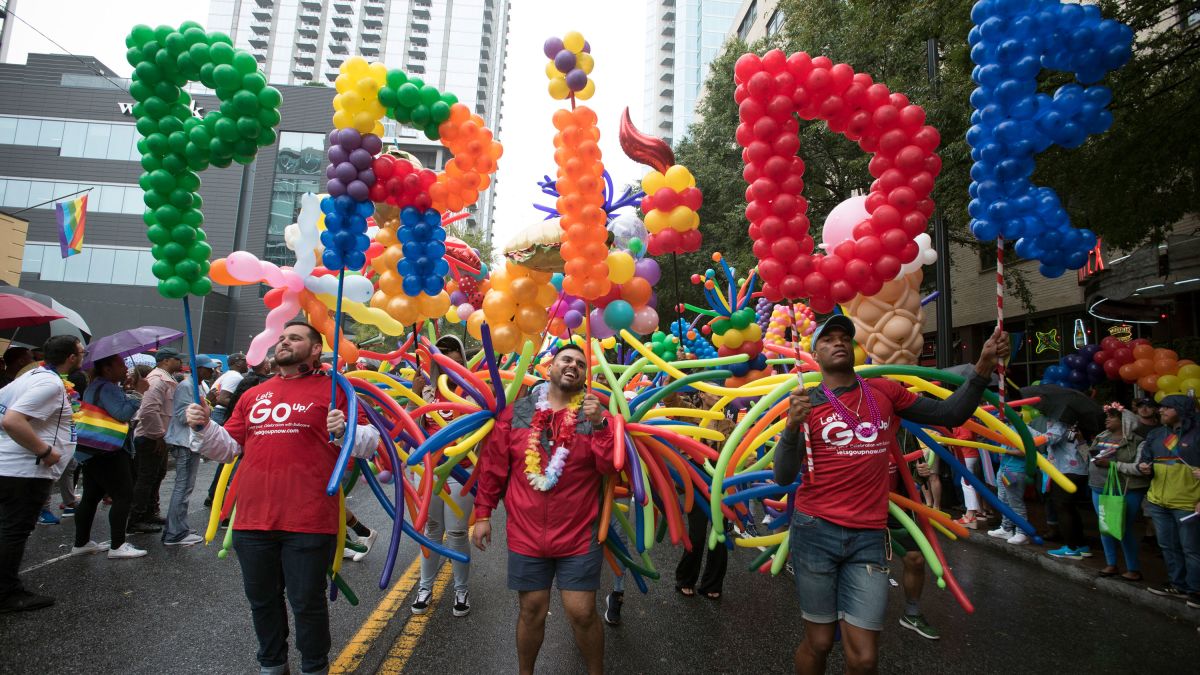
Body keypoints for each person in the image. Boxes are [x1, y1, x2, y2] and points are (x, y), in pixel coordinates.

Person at [774, 316, 1008, 675]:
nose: (838, 343)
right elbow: (782, 476)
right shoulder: (804, 402)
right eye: (828, 339)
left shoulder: (882, 391)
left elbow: (949, 412)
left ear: (852, 349)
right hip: (814, 532)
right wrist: (791, 426)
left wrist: (983, 366)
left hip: (867, 536)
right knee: (820, 642)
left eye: (844, 338)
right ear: (815, 353)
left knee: (865, 658)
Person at [185, 321, 379, 675]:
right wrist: (203, 427)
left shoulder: (337, 389)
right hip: (252, 519)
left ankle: (314, 667)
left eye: (295, 338)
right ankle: (272, 665)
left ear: (316, 348)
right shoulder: (253, 394)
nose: (284, 342)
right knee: (262, 602)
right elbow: (227, 449)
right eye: (283, 338)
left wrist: (346, 430)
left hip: (309, 518)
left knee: (307, 603)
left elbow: (370, 444)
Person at [471, 344, 616, 675]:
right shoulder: (516, 413)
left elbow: (608, 467)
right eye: (566, 359)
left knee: (581, 611)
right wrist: (482, 515)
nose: (573, 365)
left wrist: (601, 425)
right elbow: (494, 467)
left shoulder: (595, 414)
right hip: (526, 533)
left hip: (579, 533)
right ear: (550, 366)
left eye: (581, 363)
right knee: (532, 609)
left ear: (584, 375)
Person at [0, 335, 83, 612]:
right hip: (24, 471)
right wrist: (45, 451)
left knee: (9, 529)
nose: (83, 356)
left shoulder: (31, 375)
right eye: (80, 352)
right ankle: (7, 593)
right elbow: (11, 420)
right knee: (14, 531)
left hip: (13, 467)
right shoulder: (48, 382)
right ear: (71, 357)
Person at [409, 335, 473, 617]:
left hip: (460, 469)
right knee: (432, 531)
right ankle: (425, 588)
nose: (447, 356)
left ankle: (461, 590)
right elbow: (410, 428)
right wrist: (414, 393)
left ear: (460, 356)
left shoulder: (472, 388)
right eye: (442, 352)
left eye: (452, 351)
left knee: (457, 532)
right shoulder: (426, 389)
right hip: (428, 470)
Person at [71, 355, 149, 559]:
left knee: (91, 496)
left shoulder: (97, 385)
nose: (126, 369)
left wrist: (128, 391)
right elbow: (122, 414)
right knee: (124, 495)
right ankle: (118, 545)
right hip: (108, 450)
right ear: (107, 369)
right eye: (121, 365)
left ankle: (81, 542)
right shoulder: (106, 387)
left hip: (91, 448)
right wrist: (139, 393)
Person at [1138, 394, 1200, 606]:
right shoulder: (1156, 435)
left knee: (1192, 549)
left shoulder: (1197, 435)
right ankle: (1178, 585)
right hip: (1158, 501)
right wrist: (1143, 468)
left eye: (1167, 408)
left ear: (1182, 410)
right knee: (1168, 545)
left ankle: (1196, 590)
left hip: (1188, 503)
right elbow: (1145, 460)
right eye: (1161, 408)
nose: (1161, 411)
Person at [671, 388, 732, 600]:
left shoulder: (728, 424)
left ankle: (712, 584)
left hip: (722, 481)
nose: (719, 394)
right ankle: (685, 579)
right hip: (696, 478)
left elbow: (742, 451)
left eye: (721, 391)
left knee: (720, 535)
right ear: (703, 394)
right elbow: (671, 398)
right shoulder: (690, 412)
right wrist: (672, 376)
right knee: (696, 534)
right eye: (714, 390)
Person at [161, 356, 218, 546]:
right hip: (184, 441)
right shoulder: (187, 386)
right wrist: (205, 405)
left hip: (191, 442)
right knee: (183, 487)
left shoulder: (199, 386)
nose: (212, 372)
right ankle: (174, 533)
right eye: (208, 369)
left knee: (186, 487)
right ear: (198, 368)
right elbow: (182, 416)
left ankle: (178, 527)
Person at [1087, 403, 1147, 581]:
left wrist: (1111, 464)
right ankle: (1111, 564)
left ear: (1125, 421)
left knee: (1123, 527)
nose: (1107, 419)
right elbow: (1088, 457)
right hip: (1098, 487)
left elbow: (1139, 468)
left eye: (1112, 417)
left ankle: (1133, 568)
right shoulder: (1100, 436)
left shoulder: (1137, 442)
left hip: (1126, 490)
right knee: (1105, 526)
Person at [129, 348, 182, 533]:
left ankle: (149, 512)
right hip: (150, 438)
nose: (180, 362)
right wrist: (158, 435)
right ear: (166, 360)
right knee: (146, 478)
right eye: (177, 358)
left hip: (159, 437)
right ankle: (135, 519)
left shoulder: (167, 378)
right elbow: (148, 410)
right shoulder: (157, 380)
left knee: (156, 476)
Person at [1043, 417, 1093, 560]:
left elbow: (1048, 439)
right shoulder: (1078, 424)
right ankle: (1081, 545)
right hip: (1080, 471)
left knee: (1063, 509)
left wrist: (1024, 429)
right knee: (1070, 509)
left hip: (1065, 471)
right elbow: (1086, 454)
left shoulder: (1060, 423)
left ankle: (1071, 548)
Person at [987, 434, 1031, 546]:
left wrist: (1004, 451)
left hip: (1014, 470)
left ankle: (1022, 532)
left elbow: (1025, 451)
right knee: (1003, 501)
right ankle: (1006, 529)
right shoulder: (1006, 427)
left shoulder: (1023, 430)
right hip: (1004, 469)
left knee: (1015, 502)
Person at [209, 352, 248, 425]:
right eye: (245, 361)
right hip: (221, 414)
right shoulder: (235, 376)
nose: (247, 363)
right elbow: (221, 399)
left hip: (217, 413)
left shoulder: (228, 374)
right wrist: (241, 407)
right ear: (238, 363)